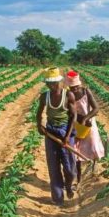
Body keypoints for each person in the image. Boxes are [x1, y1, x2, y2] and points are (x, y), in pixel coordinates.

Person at [36, 67, 78, 206]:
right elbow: (39, 113)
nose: (52, 86)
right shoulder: (45, 96)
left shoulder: (68, 96)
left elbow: (73, 116)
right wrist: (39, 126)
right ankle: (58, 198)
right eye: (49, 83)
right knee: (54, 167)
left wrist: (67, 137)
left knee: (69, 167)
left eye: (54, 83)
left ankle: (69, 185)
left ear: (59, 82)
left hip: (66, 131)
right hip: (51, 133)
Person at [66, 70, 104, 188]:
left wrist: (85, 118)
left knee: (93, 148)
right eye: (72, 88)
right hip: (76, 126)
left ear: (80, 85)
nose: (75, 90)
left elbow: (96, 109)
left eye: (76, 87)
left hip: (88, 124)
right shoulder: (68, 95)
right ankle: (79, 179)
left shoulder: (86, 92)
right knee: (76, 151)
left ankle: (93, 170)